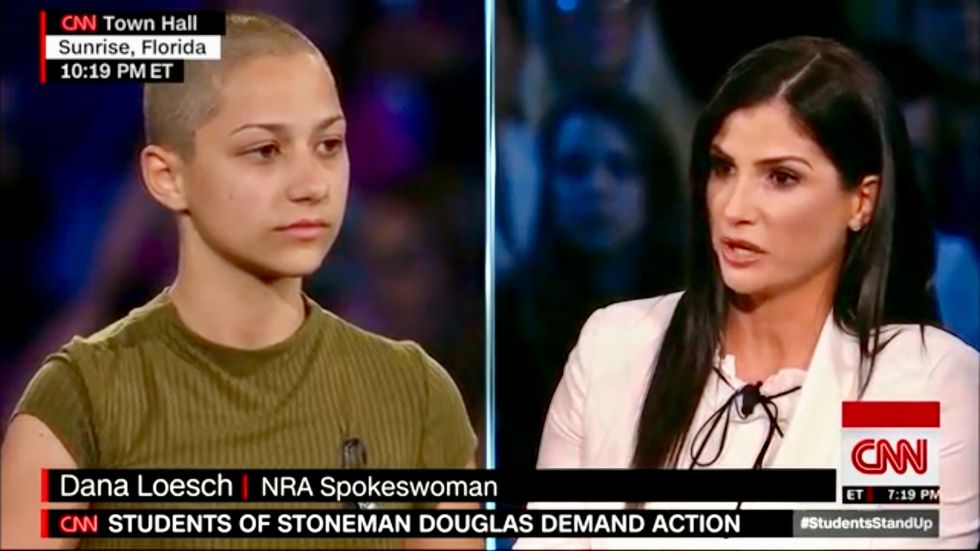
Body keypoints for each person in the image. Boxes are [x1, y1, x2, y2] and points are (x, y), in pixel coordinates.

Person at [1, 12, 478, 550]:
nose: (311, 185)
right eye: (265, 150)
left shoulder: (415, 392)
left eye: (328, 145)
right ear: (168, 177)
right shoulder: (81, 399)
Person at [516, 36, 978, 549]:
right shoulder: (616, 346)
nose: (735, 208)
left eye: (781, 177)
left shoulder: (913, 381)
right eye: (723, 168)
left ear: (861, 201)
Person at [497, 91, 686, 474]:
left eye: (620, 168)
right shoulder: (511, 312)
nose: (597, 187)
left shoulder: (702, 306)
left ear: (654, 185)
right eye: (574, 168)